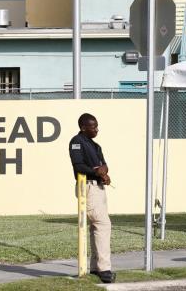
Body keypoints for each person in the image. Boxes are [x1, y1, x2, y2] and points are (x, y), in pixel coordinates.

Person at [69, 113, 115, 284]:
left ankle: (96, 268)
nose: (96, 129)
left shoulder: (96, 146)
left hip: (99, 187)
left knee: (96, 227)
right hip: (87, 186)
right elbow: (78, 166)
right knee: (102, 224)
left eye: (97, 126)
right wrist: (96, 172)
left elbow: (103, 164)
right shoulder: (76, 142)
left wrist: (105, 174)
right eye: (93, 126)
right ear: (83, 127)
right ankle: (104, 269)